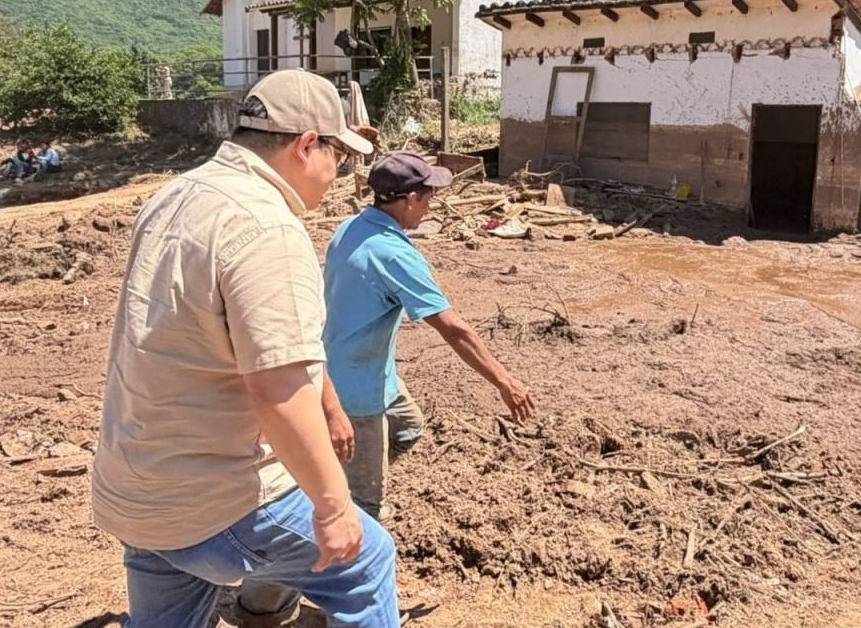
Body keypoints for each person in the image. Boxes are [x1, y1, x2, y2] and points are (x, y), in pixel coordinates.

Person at [90, 69, 397, 628]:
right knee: (367, 561)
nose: (337, 176)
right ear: (308, 146)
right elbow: (277, 388)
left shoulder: (175, 195)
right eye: (340, 158)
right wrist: (333, 508)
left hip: (134, 483)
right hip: (212, 499)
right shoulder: (267, 228)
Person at [324, 150, 536, 519]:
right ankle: (352, 532)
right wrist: (504, 381)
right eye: (428, 198)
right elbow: (453, 329)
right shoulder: (394, 255)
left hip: (364, 371)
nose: (430, 207)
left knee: (408, 427)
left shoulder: (352, 228)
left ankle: (341, 472)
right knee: (365, 505)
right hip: (356, 390)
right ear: (409, 200)